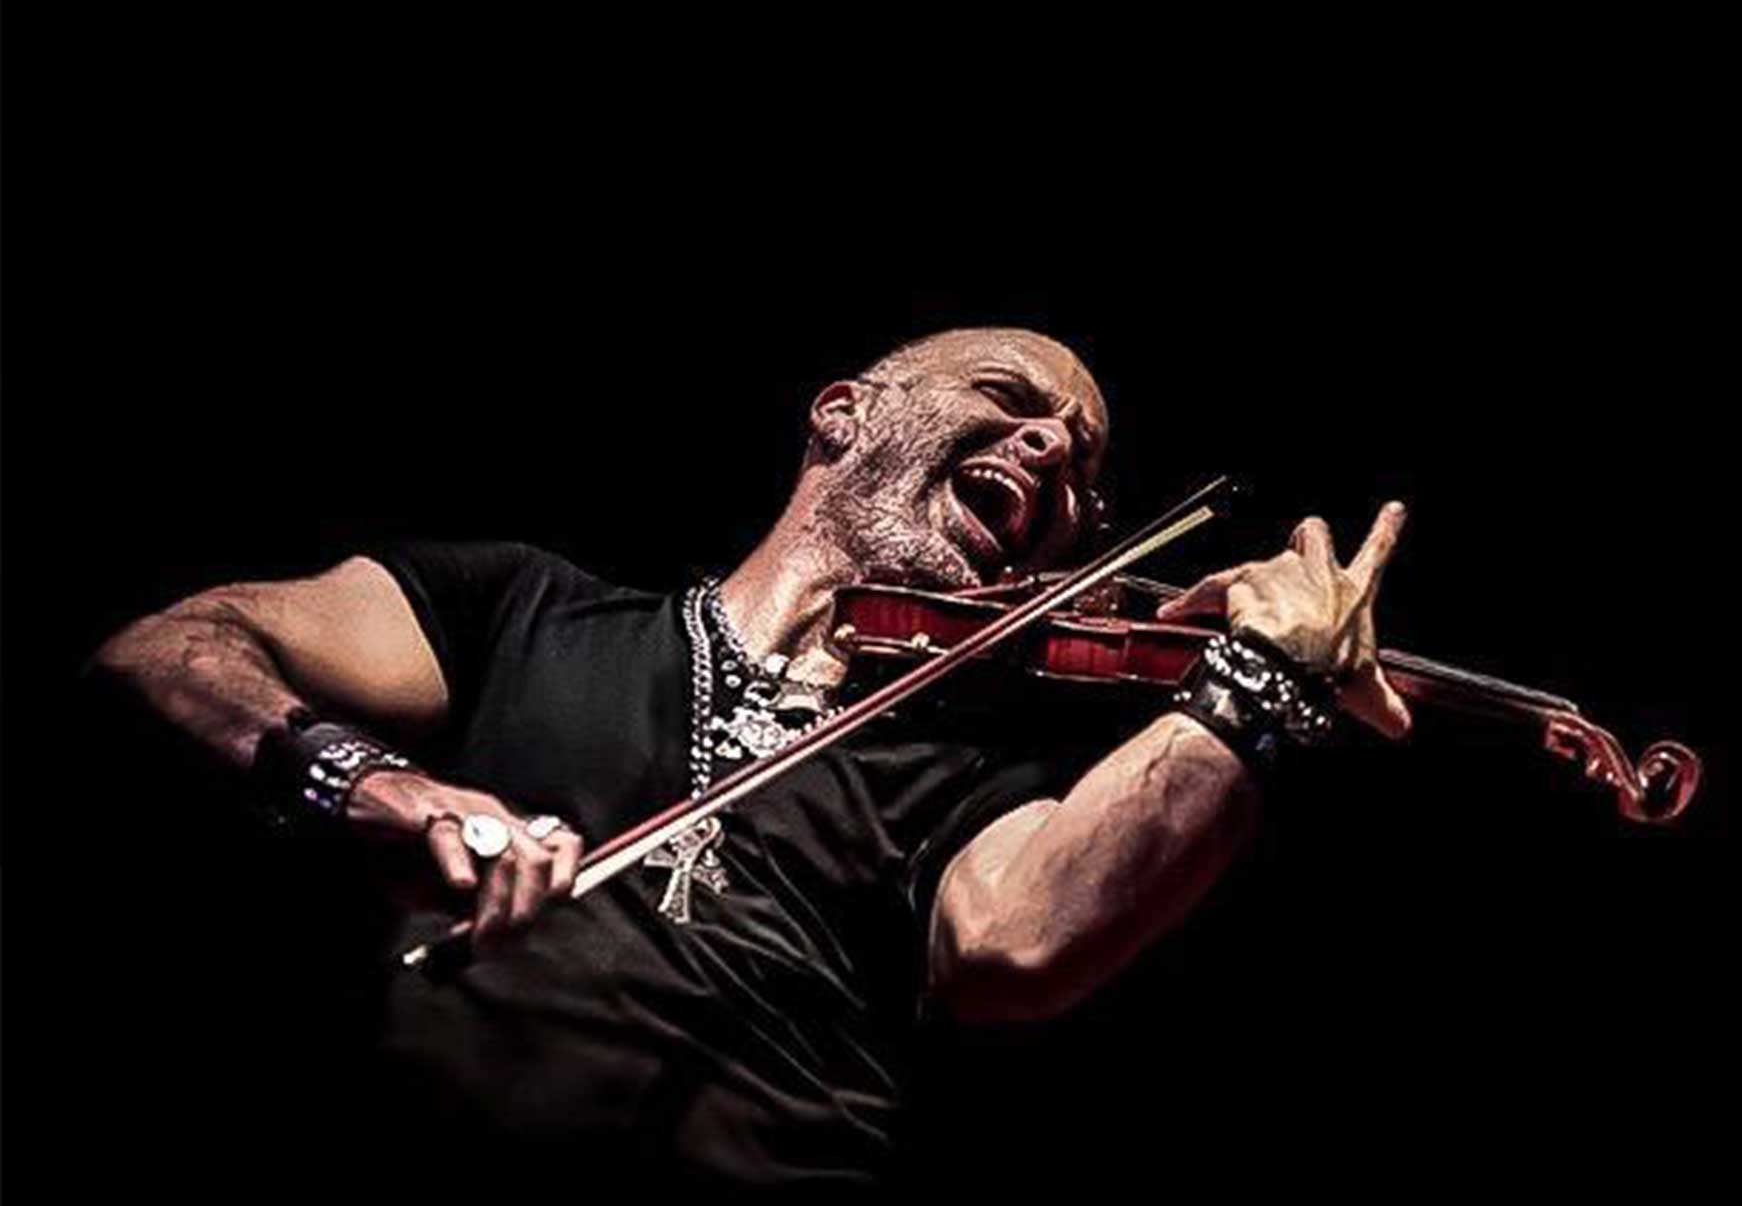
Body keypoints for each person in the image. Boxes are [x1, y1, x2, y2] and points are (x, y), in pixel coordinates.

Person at [88, 327, 1410, 1189]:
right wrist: (368, 783)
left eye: (1082, 474)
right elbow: (174, 649)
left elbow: (1018, 946)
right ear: (845, 413)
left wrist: (1253, 685)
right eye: (1011, 401)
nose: (1054, 448)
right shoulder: (523, 611)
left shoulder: (962, 784)